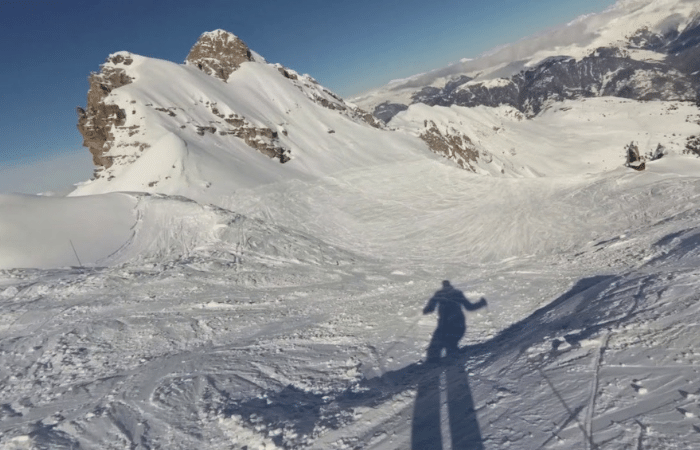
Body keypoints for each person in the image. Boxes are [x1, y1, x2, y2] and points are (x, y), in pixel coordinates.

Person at [423, 280, 487, 361]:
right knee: (451, 346)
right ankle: (453, 362)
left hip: (445, 326)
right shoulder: (457, 293)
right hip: (459, 324)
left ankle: (438, 364)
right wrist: (481, 303)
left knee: (434, 351)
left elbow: (429, 309)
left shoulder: (438, 294)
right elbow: (470, 307)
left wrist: (426, 309)